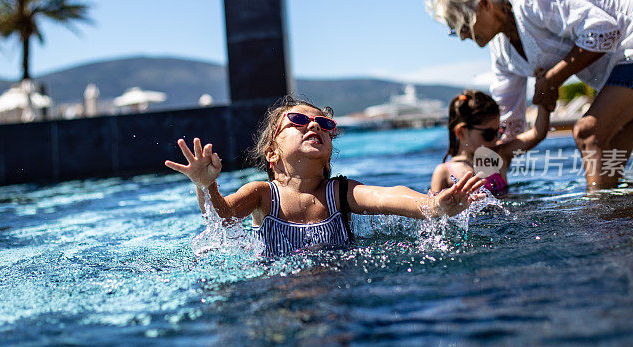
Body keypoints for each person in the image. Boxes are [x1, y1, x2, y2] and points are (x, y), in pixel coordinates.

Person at [426, 0, 633, 189]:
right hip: (624, 66)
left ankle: (599, 223)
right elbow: (509, 121)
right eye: (454, 31)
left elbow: (603, 29)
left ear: (484, 5)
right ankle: (626, 230)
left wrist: (552, 79)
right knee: (608, 164)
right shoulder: (502, 53)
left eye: (462, 25)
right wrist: (493, 158)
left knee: (588, 133)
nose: (462, 36)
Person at [165, 96, 486, 257]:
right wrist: (206, 185)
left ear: (330, 148)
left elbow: (389, 196)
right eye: (298, 120)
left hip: (337, 285)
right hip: (277, 289)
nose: (315, 125)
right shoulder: (263, 194)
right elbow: (221, 217)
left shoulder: (340, 192)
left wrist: (434, 206)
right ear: (272, 153)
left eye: (324, 124)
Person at [431, 90, 550, 194]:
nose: (496, 139)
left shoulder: (500, 155)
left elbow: (537, 134)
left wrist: (545, 97)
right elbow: (433, 212)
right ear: (461, 132)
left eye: (498, 131)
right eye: (488, 134)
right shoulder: (443, 172)